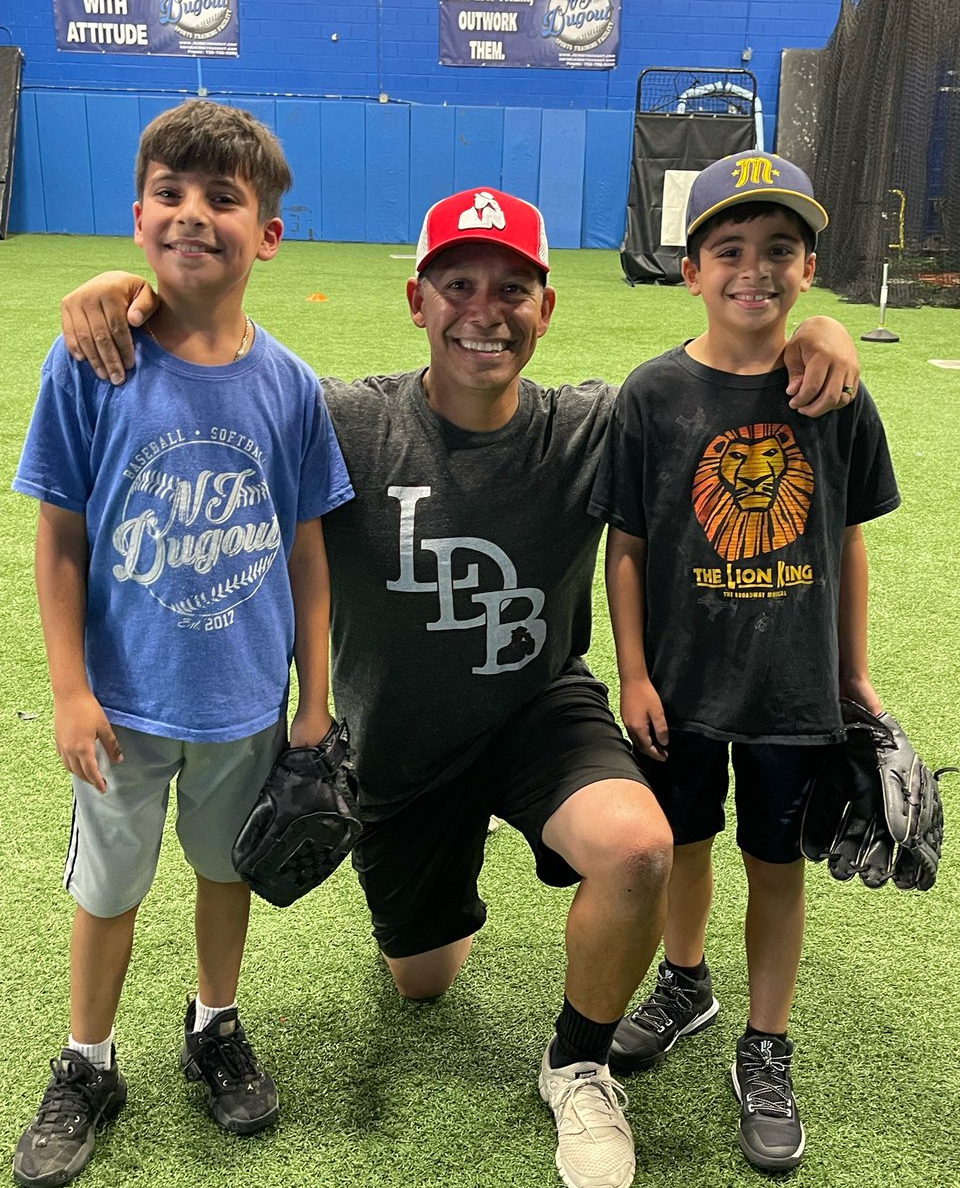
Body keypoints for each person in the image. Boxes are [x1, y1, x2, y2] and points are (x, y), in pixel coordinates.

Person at [56, 184, 862, 1188]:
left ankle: (577, 1066)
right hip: (400, 745)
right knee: (423, 983)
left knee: (640, 848)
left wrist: (818, 331)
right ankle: (453, 861)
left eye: (512, 289)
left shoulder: (593, 427)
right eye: (459, 285)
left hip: (540, 719)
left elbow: (717, 381)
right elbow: (229, 364)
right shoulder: (343, 421)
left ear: (547, 309)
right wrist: (122, 289)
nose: (486, 310)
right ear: (418, 300)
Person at [11, 100, 353, 1188]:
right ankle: (87, 1061)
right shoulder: (93, 362)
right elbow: (58, 541)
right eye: (170, 192)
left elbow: (306, 549)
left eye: (222, 198)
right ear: (137, 212)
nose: (192, 215)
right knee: (108, 887)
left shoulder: (290, 384)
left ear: (269, 234)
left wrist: (314, 696)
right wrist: (69, 689)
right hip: (122, 698)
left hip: (245, 698)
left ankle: (214, 1024)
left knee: (223, 873)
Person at [589, 152, 900, 1172]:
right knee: (683, 844)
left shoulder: (833, 390)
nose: (754, 270)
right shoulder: (654, 393)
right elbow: (626, 546)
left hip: (790, 686)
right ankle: (688, 980)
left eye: (779, 250)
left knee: (777, 868)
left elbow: (848, 533)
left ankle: (766, 1047)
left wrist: (854, 675)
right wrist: (633, 674)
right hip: (681, 681)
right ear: (690, 270)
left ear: (809, 268)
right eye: (730, 250)